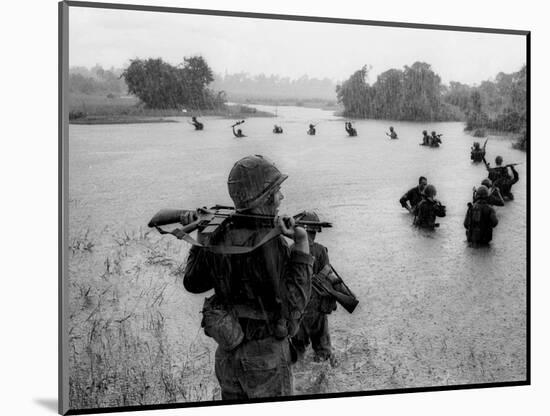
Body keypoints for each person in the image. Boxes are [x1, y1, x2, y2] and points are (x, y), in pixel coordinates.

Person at [183, 155, 313, 400]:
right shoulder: (270, 242)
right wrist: (301, 244)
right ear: (265, 196)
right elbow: (294, 302)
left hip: (227, 354)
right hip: (265, 359)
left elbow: (193, 282)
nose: (281, 197)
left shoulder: (217, 232)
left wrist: (201, 238)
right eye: (277, 191)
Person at [291, 211, 337, 365]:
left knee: (297, 350)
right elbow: (329, 278)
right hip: (316, 308)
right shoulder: (320, 250)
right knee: (323, 349)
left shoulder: (290, 249)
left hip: (297, 307)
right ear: (314, 232)